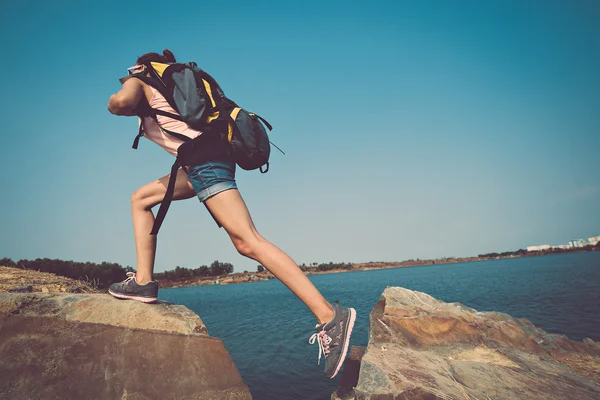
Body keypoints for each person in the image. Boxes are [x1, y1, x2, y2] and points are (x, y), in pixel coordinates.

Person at [106, 49, 356, 379]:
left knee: (247, 242)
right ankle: (142, 282)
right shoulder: (172, 86)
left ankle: (329, 316)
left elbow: (120, 103)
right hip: (200, 162)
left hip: (205, 161)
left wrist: (118, 94)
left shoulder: (142, 78)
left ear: (141, 66)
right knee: (141, 198)